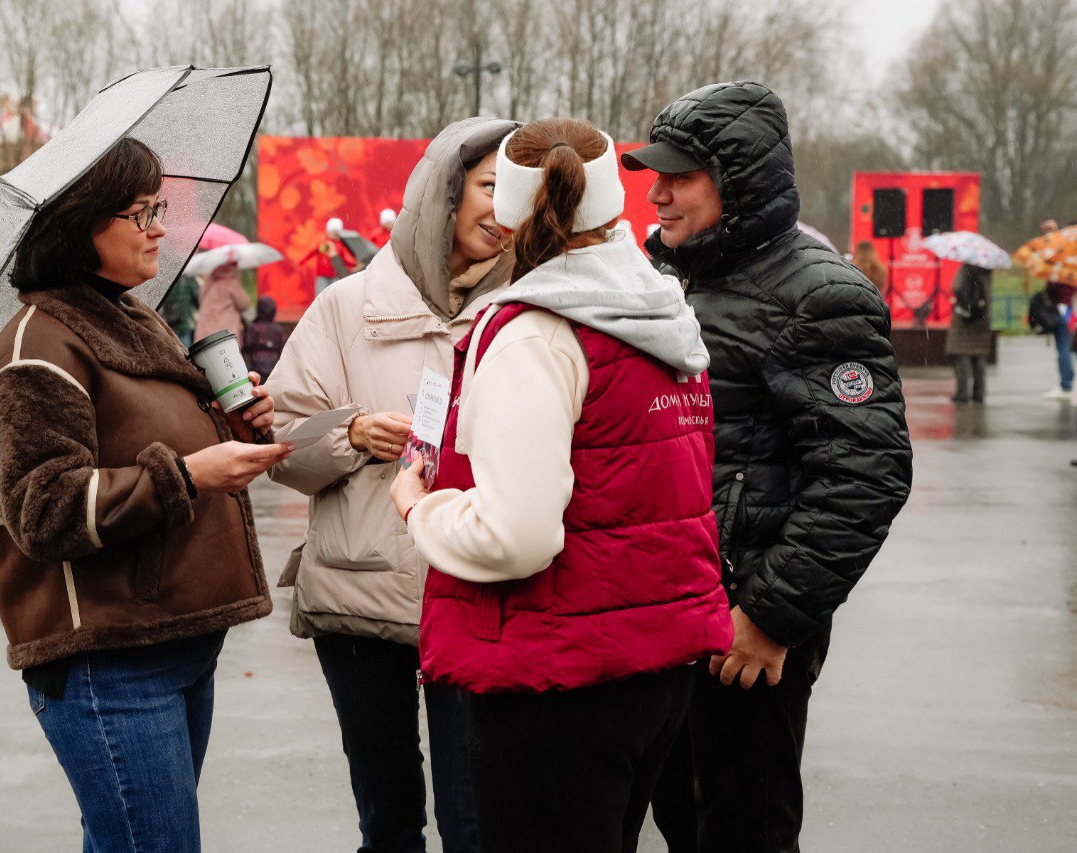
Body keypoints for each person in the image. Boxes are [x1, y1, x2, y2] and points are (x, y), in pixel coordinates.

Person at [390, 117, 733, 853]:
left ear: (509, 214)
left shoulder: (537, 333)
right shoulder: (664, 314)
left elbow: (517, 536)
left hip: (554, 679)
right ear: (614, 205)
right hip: (654, 665)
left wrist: (423, 508)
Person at [0, 137, 291, 853]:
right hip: (107, 661)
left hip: (172, 639)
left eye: (158, 208)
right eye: (141, 212)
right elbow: (42, 510)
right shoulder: (36, 350)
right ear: (81, 225)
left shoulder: (128, 316)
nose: (160, 229)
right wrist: (193, 473)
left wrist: (228, 419)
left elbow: (142, 432)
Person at [622, 81, 914, 853]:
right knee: (681, 820)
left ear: (737, 177)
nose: (657, 194)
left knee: (744, 830)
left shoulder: (819, 294)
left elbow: (866, 475)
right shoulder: (669, 283)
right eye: (656, 176)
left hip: (745, 628)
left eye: (680, 176)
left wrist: (772, 617)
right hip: (669, 615)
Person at [265, 116, 519, 853]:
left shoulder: (528, 312)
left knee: (478, 825)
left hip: (479, 593)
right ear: (442, 189)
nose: (502, 212)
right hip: (360, 596)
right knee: (388, 820)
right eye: (487, 187)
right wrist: (348, 434)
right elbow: (281, 444)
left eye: (516, 195)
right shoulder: (347, 308)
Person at [947, 262, 992, 403]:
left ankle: (962, 392)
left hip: (964, 318)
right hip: (983, 318)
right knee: (979, 355)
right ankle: (979, 392)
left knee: (961, 354)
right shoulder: (988, 270)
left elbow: (956, 287)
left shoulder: (966, 268)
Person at [193, 259, 250, 342]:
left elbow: (200, 299)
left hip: (204, 336)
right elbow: (244, 304)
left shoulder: (209, 282)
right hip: (224, 337)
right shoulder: (231, 283)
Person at [299, 217, 357, 295]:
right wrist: (301, 261)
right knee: (320, 297)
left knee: (335, 297)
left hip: (336, 276)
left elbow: (348, 261)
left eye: (338, 231)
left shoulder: (342, 244)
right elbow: (312, 251)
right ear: (329, 231)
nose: (336, 234)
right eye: (334, 231)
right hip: (322, 275)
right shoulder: (322, 241)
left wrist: (352, 264)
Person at [1042, 278, 1074, 400]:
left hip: (1061, 311)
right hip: (1070, 311)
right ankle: (1067, 384)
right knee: (1068, 348)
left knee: (1064, 350)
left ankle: (1066, 386)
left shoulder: (1060, 274)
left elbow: (1051, 290)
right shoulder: (1072, 272)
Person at [241, 295, 285, 383]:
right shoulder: (278, 330)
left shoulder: (254, 328)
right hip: (274, 367)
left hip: (257, 367)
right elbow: (283, 349)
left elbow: (245, 346)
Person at [160, 272, 201, 347]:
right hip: (186, 322)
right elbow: (198, 301)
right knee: (192, 349)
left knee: (182, 350)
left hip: (170, 323)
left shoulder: (163, 280)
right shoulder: (188, 278)